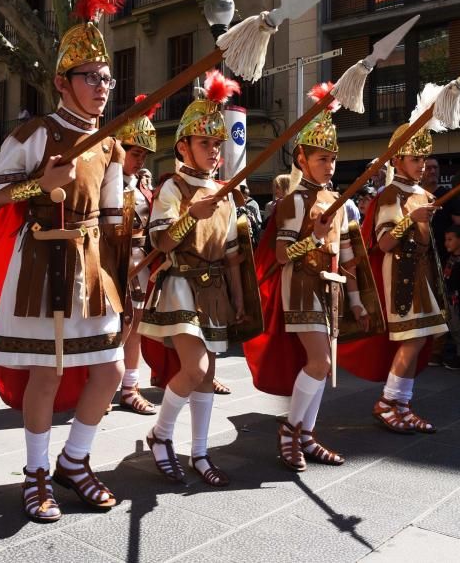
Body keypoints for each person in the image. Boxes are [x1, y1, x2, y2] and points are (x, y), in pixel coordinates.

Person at [0, 0, 135, 520]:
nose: (102, 86)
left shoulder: (112, 143)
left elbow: (116, 218)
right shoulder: (35, 132)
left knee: (111, 370)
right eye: (91, 77)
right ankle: (37, 473)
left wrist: (133, 266)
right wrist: (40, 185)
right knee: (45, 373)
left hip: (93, 269)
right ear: (61, 81)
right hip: (41, 265)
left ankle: (76, 460)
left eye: (106, 77)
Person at [245, 82, 368, 472]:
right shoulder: (294, 202)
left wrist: (357, 300)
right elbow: (282, 255)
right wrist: (312, 237)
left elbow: (346, 255)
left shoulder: (339, 202)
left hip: (328, 289)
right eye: (321, 158)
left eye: (332, 159)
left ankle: (307, 435)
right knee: (318, 361)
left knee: (323, 366)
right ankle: (291, 431)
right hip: (298, 287)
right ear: (301, 159)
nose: (329, 166)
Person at [140, 70, 247, 487]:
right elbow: (162, 243)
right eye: (205, 143)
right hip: (180, 284)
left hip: (216, 289)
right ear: (183, 145)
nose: (214, 151)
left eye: (218, 144)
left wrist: (238, 298)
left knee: (207, 372)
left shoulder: (228, 193)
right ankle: (161, 434)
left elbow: (234, 256)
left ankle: (199, 452)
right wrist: (190, 216)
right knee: (195, 365)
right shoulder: (172, 186)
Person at [343, 121, 446, 434]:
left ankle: (402, 404)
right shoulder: (390, 196)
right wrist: (411, 219)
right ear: (397, 160)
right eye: (414, 158)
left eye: (423, 159)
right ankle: (389, 401)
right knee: (410, 339)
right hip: (400, 276)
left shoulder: (421, 193)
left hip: (422, 273)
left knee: (418, 339)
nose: (421, 164)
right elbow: (385, 242)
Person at [113, 93, 159, 415]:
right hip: (111, 262)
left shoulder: (143, 185)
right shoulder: (107, 181)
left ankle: (130, 387)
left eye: (144, 154)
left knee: (136, 323)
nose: (140, 159)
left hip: (140, 262)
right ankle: (102, 384)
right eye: (135, 153)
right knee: (119, 324)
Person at [441, 225, 460, 371]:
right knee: (454, 328)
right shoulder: (450, 258)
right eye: (446, 240)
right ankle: (459, 353)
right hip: (450, 298)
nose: (446, 243)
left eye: (450, 239)